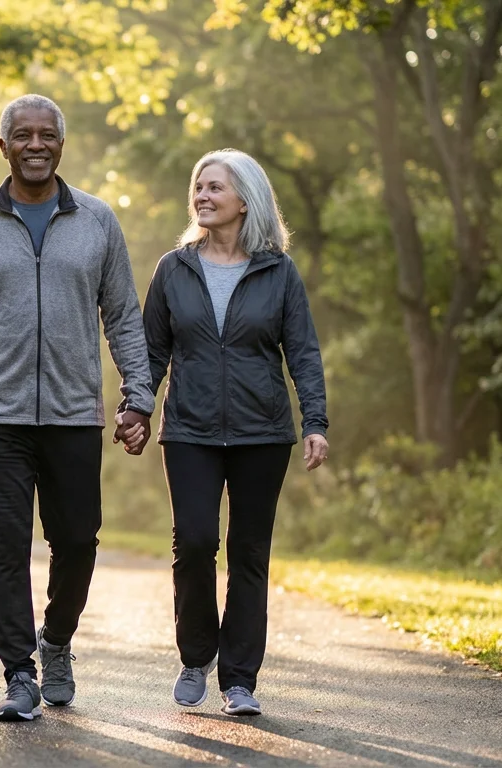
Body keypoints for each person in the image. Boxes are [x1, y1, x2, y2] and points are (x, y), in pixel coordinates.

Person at [0, 94, 154, 722]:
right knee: (3, 545)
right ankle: (19, 673)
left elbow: (124, 318)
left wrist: (140, 396)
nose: (34, 144)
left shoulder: (99, 222)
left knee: (77, 540)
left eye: (45, 134)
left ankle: (56, 643)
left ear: (60, 144)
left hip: (76, 413)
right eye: (21, 135)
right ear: (3, 147)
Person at [142, 149, 329, 716]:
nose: (201, 195)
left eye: (214, 187)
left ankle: (240, 679)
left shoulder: (278, 270)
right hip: (191, 429)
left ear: (245, 199)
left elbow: (303, 351)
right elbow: (151, 353)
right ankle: (196, 655)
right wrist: (136, 408)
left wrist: (315, 421)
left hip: (262, 432)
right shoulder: (174, 268)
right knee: (195, 542)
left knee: (249, 551)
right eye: (198, 186)